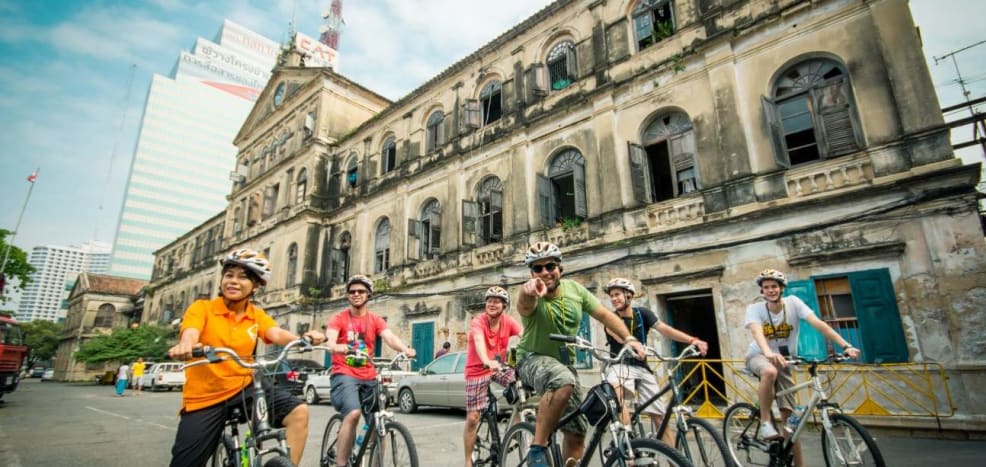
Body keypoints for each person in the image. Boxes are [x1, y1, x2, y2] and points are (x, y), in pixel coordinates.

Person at [167, 248, 325, 467]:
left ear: (256, 286)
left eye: (242, 277)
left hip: (245, 388)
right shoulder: (202, 308)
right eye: (229, 275)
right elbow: (191, 331)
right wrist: (186, 345)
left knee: (299, 412)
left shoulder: (256, 315)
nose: (233, 281)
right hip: (205, 398)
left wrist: (302, 339)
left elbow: (275, 334)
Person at [516, 242, 645, 467]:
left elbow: (604, 314)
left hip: (564, 364)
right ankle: (537, 449)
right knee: (562, 380)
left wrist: (629, 338)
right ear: (532, 273)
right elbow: (524, 305)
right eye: (538, 268)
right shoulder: (532, 293)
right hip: (531, 358)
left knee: (577, 432)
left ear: (560, 268)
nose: (545, 272)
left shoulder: (575, 290)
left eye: (550, 266)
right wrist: (528, 292)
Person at [745, 268, 860, 466]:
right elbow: (757, 332)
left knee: (791, 422)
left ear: (781, 288)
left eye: (774, 286)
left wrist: (846, 346)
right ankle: (765, 422)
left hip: (785, 361)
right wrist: (768, 352)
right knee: (770, 371)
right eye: (766, 287)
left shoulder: (793, 303)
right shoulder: (755, 309)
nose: (770, 290)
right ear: (762, 291)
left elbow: (819, 324)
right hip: (759, 356)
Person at [322, 274, 417, 467]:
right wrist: (335, 345)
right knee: (353, 414)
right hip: (344, 374)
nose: (356, 294)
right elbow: (330, 338)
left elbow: (389, 337)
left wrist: (405, 349)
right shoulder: (339, 318)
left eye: (361, 291)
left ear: (368, 295)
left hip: (369, 376)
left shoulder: (375, 320)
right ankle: (341, 464)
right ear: (348, 295)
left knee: (378, 423)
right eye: (352, 291)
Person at [601, 278, 709, 445]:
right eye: (612, 296)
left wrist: (692, 340)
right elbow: (621, 338)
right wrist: (633, 345)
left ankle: (674, 457)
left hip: (642, 368)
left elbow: (665, 329)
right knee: (617, 394)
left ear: (629, 296)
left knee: (660, 416)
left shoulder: (642, 314)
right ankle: (626, 440)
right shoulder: (610, 319)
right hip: (620, 365)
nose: (614, 299)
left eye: (617, 295)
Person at [463, 286, 523, 467]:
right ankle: (467, 461)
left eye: (497, 301)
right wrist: (486, 360)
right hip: (477, 369)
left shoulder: (508, 321)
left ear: (504, 305)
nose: (492, 304)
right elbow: (478, 340)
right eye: (489, 301)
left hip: (498, 368)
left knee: (523, 383)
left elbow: (525, 335)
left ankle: (517, 425)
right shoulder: (478, 321)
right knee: (473, 418)